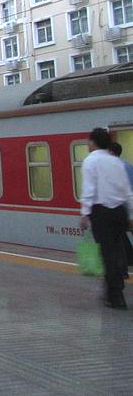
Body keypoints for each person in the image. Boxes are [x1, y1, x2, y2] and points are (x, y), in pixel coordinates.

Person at [79, 128, 133, 309]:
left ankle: (115, 296)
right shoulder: (115, 161)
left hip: (102, 213)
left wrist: (85, 213)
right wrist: (131, 214)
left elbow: (89, 189)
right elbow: (127, 191)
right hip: (119, 212)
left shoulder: (90, 161)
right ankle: (116, 286)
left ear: (93, 143)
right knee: (118, 250)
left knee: (107, 253)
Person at [108, 142, 133, 272]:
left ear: (111, 152)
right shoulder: (128, 165)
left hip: (121, 208)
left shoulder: (113, 168)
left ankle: (124, 267)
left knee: (119, 237)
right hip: (129, 205)